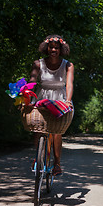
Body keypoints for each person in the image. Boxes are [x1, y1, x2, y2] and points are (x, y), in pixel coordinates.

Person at [29, 34, 74, 176]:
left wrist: (68, 100)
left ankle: (57, 163)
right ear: (46, 48)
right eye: (51, 47)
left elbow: (70, 84)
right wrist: (28, 99)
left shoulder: (68, 65)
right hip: (42, 97)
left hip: (60, 98)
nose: (53, 50)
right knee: (38, 128)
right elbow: (32, 81)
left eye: (56, 48)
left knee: (56, 131)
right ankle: (38, 157)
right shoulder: (38, 63)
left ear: (61, 49)